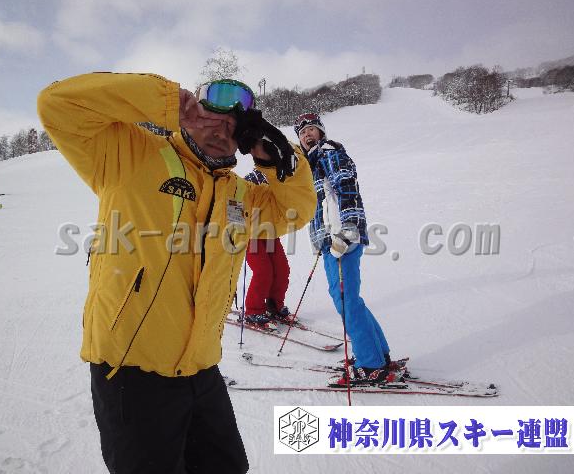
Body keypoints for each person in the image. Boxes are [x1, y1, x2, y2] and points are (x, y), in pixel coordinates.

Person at [38, 73, 316, 473]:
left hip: (201, 369)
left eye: (233, 129)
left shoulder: (241, 195)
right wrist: (169, 102)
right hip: (132, 371)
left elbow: (296, 211)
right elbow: (57, 104)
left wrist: (276, 157)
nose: (221, 132)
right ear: (189, 115)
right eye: (211, 119)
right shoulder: (130, 154)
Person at [295, 112, 400, 387]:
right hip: (330, 240)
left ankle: (371, 365)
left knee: (345, 301)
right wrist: (320, 238)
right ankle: (378, 354)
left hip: (341, 237)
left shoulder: (329, 153)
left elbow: (347, 188)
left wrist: (348, 229)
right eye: (302, 133)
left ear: (321, 132)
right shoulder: (312, 162)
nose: (307, 135)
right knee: (350, 299)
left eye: (311, 129)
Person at [242, 168, 292, 325]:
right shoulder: (251, 179)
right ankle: (253, 310)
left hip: (270, 233)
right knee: (263, 271)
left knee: (282, 269)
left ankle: (274, 305)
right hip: (251, 235)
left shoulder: (281, 178)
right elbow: (236, 202)